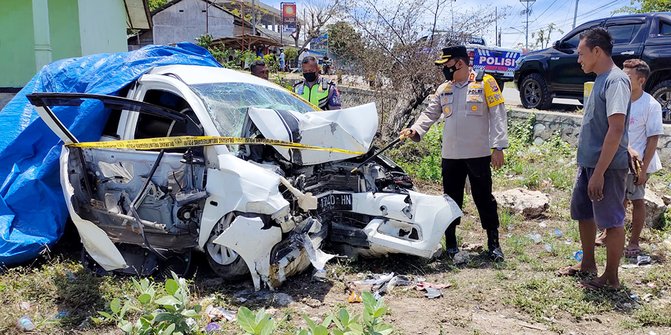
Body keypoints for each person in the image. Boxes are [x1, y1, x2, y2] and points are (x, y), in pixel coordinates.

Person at [400, 45, 508, 261]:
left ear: (459, 63)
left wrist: (498, 147)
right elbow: (430, 113)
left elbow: (498, 115)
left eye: (446, 65)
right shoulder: (444, 89)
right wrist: (415, 130)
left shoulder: (485, 82)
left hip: (477, 154)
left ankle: (493, 244)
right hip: (451, 155)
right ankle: (451, 244)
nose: (444, 70)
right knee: (450, 200)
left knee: (484, 198)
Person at [557, 28, 631, 290]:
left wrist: (600, 171)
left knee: (611, 221)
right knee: (584, 213)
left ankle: (611, 278)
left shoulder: (616, 81)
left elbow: (617, 128)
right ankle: (588, 263)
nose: (579, 60)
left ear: (597, 51)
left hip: (607, 168)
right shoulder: (600, 79)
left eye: (581, 54)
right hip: (589, 164)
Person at [593, 59, 664, 257]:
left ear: (641, 80)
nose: (623, 79)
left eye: (628, 76)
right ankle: (609, 233)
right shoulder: (620, 99)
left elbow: (652, 139)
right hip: (619, 159)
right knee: (617, 198)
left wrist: (644, 169)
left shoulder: (651, 105)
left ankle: (634, 242)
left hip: (639, 163)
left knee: (637, 200)